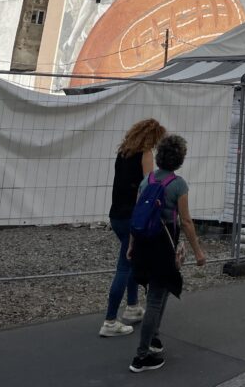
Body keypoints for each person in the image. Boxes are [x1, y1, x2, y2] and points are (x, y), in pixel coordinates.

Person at [128, 134, 206, 373]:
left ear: (160, 156)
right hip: (163, 248)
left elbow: (137, 215)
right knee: (155, 299)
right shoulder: (178, 184)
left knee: (160, 292)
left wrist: (131, 246)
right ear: (180, 159)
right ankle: (141, 357)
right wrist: (198, 252)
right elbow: (186, 221)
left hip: (143, 245)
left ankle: (153, 337)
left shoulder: (146, 180)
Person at [99, 118, 166, 339]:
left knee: (132, 259)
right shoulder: (145, 154)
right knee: (124, 266)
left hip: (116, 214)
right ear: (152, 137)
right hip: (132, 217)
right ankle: (110, 320)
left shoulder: (124, 153)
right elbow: (147, 187)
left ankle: (133, 306)